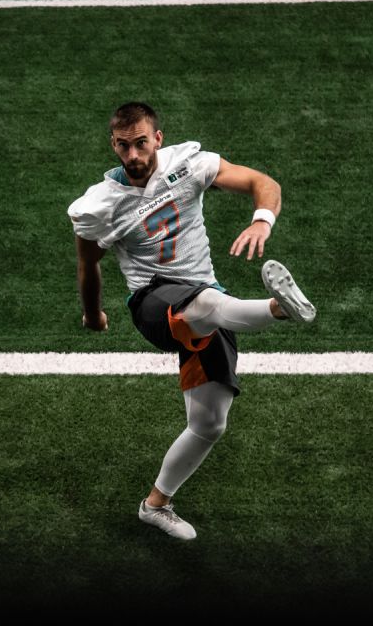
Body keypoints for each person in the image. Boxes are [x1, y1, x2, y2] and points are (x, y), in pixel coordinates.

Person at [67, 102, 316, 540]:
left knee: (210, 422)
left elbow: (263, 182)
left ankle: (155, 505)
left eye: (141, 143)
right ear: (113, 145)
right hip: (153, 300)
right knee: (204, 306)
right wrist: (93, 314)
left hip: (208, 297)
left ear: (157, 139)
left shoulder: (188, 164)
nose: (133, 156)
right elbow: (89, 265)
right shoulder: (99, 205)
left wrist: (262, 222)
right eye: (123, 147)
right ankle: (278, 308)